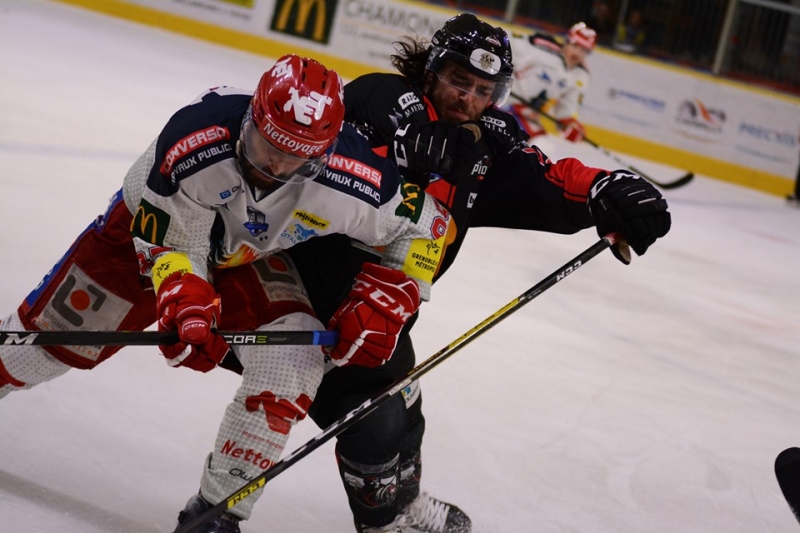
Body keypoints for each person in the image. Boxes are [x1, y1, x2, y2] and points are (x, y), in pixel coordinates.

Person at [0, 54, 454, 533]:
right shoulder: (193, 141)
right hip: (144, 239)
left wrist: (387, 298)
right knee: (39, 350)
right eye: (265, 146)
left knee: (291, 364)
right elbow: (170, 245)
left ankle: (216, 515)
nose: (274, 166)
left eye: (296, 159)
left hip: (245, 258)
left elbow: (429, 228)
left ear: (326, 153)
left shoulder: (355, 177)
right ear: (250, 118)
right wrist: (186, 301)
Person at [285, 13, 671, 533]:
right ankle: (381, 524)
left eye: (483, 90)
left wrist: (604, 190)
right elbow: (316, 157)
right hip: (310, 297)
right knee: (375, 420)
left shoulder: (486, 140)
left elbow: (543, 181)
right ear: (431, 71)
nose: (467, 98)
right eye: (458, 81)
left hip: (386, 309)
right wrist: (399, 151)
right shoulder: (380, 98)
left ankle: (404, 502)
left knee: (406, 404)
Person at [505, 22, 597, 144]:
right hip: (504, 102)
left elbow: (566, 107)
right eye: (575, 46)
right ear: (567, 41)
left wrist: (569, 125)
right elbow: (503, 42)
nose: (577, 53)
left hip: (527, 114)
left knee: (541, 146)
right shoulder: (539, 47)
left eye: (584, 50)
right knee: (539, 144)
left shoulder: (581, 76)